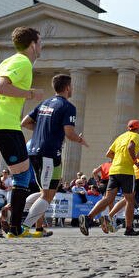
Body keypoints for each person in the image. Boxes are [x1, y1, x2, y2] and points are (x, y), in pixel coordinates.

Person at [0, 27, 44, 238]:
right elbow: (0, 88)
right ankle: (15, 228)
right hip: (4, 124)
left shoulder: (6, 61)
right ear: (33, 44)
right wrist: (31, 94)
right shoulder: (22, 62)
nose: (41, 46)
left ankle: (13, 226)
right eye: (40, 42)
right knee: (23, 175)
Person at [20, 74, 88, 236]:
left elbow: (24, 122)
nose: (73, 89)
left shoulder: (44, 103)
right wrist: (80, 140)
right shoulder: (68, 106)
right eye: (72, 86)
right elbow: (69, 133)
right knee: (47, 194)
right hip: (49, 153)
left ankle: (21, 215)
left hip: (34, 152)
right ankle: (22, 227)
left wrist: (42, 130)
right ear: (67, 88)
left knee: (46, 191)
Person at [79, 120, 139, 237]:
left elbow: (108, 153)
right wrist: (134, 161)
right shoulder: (137, 136)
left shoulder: (120, 137)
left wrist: (119, 158)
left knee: (108, 198)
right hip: (127, 172)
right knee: (130, 199)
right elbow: (131, 147)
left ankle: (88, 218)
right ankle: (129, 228)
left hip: (114, 171)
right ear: (138, 128)